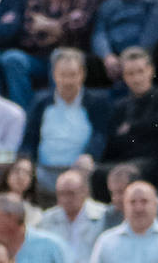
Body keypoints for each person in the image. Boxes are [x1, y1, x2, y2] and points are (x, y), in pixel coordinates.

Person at [0, 0, 97, 110]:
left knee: (58, 56)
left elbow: (80, 27)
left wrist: (46, 26)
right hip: (39, 60)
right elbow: (28, 38)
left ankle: (55, 113)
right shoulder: (35, 2)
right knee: (13, 58)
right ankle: (25, 114)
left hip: (74, 60)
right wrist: (62, 27)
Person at [20, 47, 108, 192]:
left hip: (80, 171)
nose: (68, 81)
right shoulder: (40, 102)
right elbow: (30, 137)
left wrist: (90, 155)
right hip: (43, 171)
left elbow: (100, 134)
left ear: (82, 74)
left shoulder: (97, 102)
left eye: (73, 75)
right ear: (54, 75)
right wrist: (25, 160)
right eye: (63, 75)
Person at [102, 47, 158, 184]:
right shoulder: (120, 106)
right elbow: (113, 139)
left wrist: (131, 127)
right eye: (130, 74)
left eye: (140, 71)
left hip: (155, 159)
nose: (137, 79)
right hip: (125, 159)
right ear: (123, 76)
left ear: (151, 70)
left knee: (129, 172)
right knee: (98, 173)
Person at [36, 168, 106, 263]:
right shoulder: (47, 219)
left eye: (71, 194)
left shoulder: (102, 216)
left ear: (85, 192)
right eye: (61, 194)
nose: (65, 199)